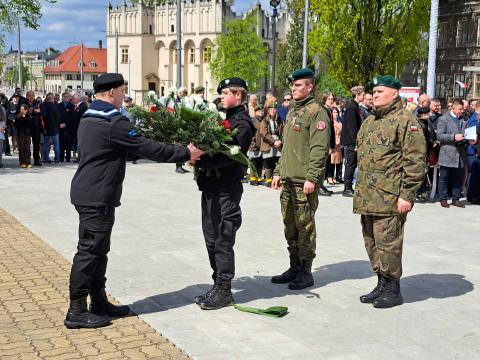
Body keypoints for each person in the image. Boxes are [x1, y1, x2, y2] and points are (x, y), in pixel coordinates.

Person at [65, 73, 204, 329]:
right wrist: (184, 152)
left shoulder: (90, 116)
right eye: (121, 91)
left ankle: (98, 300)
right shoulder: (111, 121)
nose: (123, 96)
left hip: (93, 193)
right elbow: (146, 148)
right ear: (111, 93)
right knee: (89, 251)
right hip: (97, 196)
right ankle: (76, 310)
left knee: (98, 251)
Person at [354, 75, 426, 308]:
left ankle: (393, 288)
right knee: (371, 242)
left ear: (395, 93)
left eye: (380, 91)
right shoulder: (371, 119)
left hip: (390, 196)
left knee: (389, 243)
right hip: (368, 195)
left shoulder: (405, 120)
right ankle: (381, 282)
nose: (374, 95)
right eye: (373, 92)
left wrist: (407, 194)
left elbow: (415, 161)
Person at [193, 77, 255, 310]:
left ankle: (224, 289)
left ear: (238, 95)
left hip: (226, 189)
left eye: (226, 92)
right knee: (211, 237)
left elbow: (228, 156)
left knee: (223, 238)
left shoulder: (242, 123)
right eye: (221, 93)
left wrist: (197, 158)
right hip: (211, 187)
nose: (221, 96)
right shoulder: (224, 119)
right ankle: (216, 283)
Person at [271, 68, 330, 290]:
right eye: (292, 86)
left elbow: (319, 148)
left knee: (305, 227)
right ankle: (294, 266)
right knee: (290, 226)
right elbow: (287, 149)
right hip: (288, 180)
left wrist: (312, 178)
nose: (293, 89)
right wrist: (278, 170)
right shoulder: (294, 112)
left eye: (297, 86)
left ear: (309, 87)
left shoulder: (317, 112)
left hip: (304, 182)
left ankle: (306, 271)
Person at [436, 99, 468, 208]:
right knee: (444, 177)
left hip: (460, 154)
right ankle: (443, 198)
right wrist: (453, 137)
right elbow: (439, 136)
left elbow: (466, 134)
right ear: (453, 108)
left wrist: (471, 139)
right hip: (447, 153)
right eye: (460, 109)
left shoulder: (464, 119)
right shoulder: (443, 119)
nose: (462, 111)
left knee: (458, 178)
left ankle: (456, 198)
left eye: (462, 109)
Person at [340, 85, 365, 197]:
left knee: (353, 164)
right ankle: (347, 188)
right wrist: (355, 143)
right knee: (350, 164)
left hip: (353, 141)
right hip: (351, 142)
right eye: (363, 94)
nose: (364, 96)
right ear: (357, 94)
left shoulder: (355, 106)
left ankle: (349, 187)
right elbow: (351, 127)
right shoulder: (351, 107)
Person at [260, 102, 282, 187]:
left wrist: (280, 141)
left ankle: (277, 179)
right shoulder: (264, 120)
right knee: (268, 161)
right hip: (268, 143)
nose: (273, 111)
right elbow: (264, 133)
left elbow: (283, 132)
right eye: (271, 109)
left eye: (274, 109)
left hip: (278, 142)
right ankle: (269, 180)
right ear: (268, 111)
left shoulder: (279, 120)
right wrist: (273, 141)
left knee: (279, 160)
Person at [41, 93, 61, 163]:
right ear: (51, 99)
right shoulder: (54, 106)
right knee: (56, 145)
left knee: (46, 144)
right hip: (54, 127)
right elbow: (58, 117)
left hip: (46, 127)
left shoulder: (43, 105)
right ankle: (57, 158)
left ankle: (46, 158)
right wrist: (59, 125)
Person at [247, 104, 264, 186]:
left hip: (262, 145)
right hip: (254, 145)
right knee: (254, 162)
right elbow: (249, 133)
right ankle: (252, 179)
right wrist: (251, 142)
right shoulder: (252, 120)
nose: (261, 112)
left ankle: (259, 178)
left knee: (260, 162)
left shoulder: (263, 120)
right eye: (259, 111)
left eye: (262, 111)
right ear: (255, 112)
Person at [325, 107, 342, 183]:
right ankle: (330, 176)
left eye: (337, 112)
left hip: (340, 143)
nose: (336, 114)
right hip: (333, 142)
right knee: (331, 160)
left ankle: (338, 176)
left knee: (339, 160)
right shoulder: (331, 123)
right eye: (334, 112)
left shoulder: (340, 122)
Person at [57, 92, 75, 162]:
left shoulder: (72, 106)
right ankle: (61, 158)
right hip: (60, 127)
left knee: (68, 143)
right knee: (60, 143)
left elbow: (72, 117)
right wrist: (59, 124)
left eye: (67, 96)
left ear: (70, 98)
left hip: (68, 128)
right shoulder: (59, 105)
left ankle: (68, 158)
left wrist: (66, 124)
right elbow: (56, 116)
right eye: (64, 96)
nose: (65, 97)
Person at [16, 104, 34, 168]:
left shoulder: (29, 116)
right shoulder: (18, 116)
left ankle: (28, 162)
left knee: (27, 148)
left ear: (26, 110)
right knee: (21, 148)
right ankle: (22, 162)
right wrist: (20, 117)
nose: (22, 110)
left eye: (23, 109)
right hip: (20, 134)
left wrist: (26, 116)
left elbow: (31, 124)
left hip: (27, 134)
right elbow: (17, 125)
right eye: (21, 109)